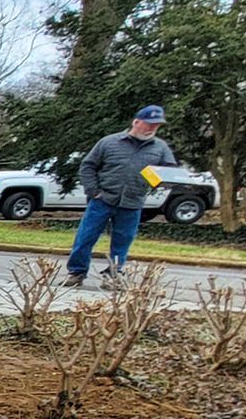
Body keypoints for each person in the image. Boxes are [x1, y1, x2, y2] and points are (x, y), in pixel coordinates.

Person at [64, 105, 178, 288]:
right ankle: (76, 272)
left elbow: (169, 173)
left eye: (156, 125)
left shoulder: (160, 148)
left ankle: (113, 275)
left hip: (132, 202)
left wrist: (165, 180)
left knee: (122, 242)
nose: (151, 128)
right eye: (148, 124)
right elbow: (87, 166)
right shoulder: (109, 142)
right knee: (85, 237)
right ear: (136, 122)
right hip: (102, 200)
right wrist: (94, 192)